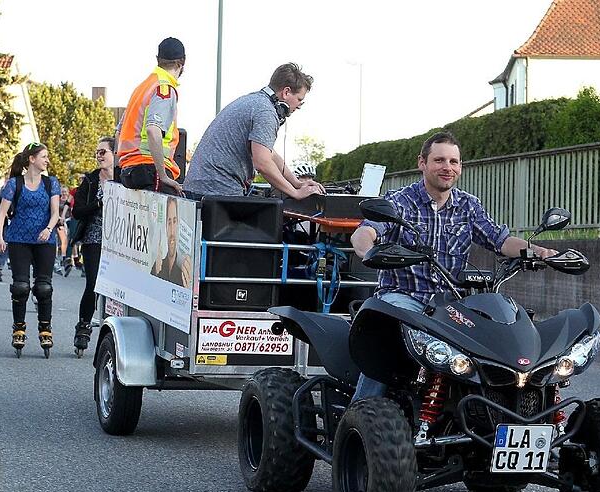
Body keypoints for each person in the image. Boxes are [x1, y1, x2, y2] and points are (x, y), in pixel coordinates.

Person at [349, 132, 558, 401]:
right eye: (439, 160)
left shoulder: (468, 205)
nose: (447, 167)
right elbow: (365, 232)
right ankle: (360, 415)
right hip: (405, 298)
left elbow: (500, 239)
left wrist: (538, 252)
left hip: (453, 303)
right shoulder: (400, 201)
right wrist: (369, 250)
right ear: (422, 163)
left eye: (454, 161)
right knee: (385, 344)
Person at [183, 63, 324, 200]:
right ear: (286, 92)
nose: (299, 105)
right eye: (299, 99)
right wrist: (295, 193)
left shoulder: (254, 101)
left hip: (199, 188)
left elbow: (270, 154)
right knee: (268, 220)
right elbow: (262, 162)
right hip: (216, 191)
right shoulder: (266, 112)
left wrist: (297, 183)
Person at [0, 143, 62, 357]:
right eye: (44, 156)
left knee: (43, 287)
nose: (47, 160)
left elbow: (55, 212)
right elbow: (1, 213)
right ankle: (19, 327)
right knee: (21, 287)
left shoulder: (51, 183)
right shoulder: (14, 184)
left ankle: (45, 327)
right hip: (19, 239)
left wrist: (49, 229)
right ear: (31, 159)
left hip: (44, 240)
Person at [116, 37, 186, 196]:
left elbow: (119, 132)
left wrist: (118, 170)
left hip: (130, 170)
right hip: (149, 169)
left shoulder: (142, 87)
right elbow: (153, 130)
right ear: (181, 63)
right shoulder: (164, 88)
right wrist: (163, 176)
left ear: (157, 60)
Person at [69, 136, 119, 355]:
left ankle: (116, 332)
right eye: (97, 152)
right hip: (94, 238)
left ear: (115, 154)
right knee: (93, 284)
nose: (99, 156)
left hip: (121, 241)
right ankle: (83, 326)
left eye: (103, 152)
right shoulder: (90, 180)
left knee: (118, 290)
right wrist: (98, 203)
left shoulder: (126, 178)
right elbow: (77, 211)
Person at [150, 196, 192, 288]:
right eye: (169, 223)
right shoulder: (157, 266)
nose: (172, 231)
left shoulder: (184, 267)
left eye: (174, 221)